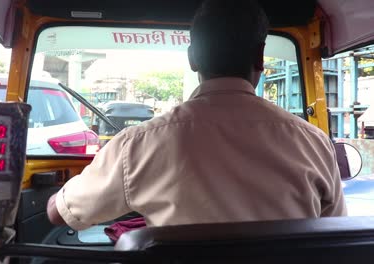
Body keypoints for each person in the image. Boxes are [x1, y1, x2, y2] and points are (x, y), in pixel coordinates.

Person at [47, 0, 346, 230]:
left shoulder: (139, 145)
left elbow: (60, 214)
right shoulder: (314, 143)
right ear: (259, 57)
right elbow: (334, 232)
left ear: (193, 59)